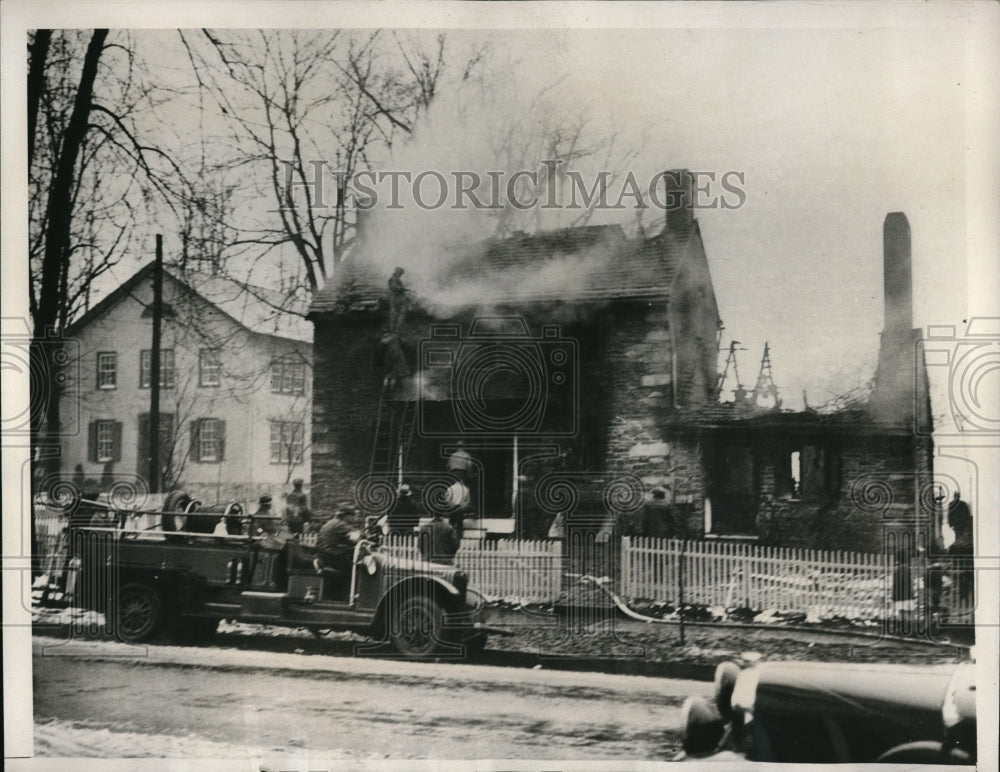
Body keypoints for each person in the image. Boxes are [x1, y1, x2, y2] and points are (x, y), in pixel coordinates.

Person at [313, 505, 357, 597]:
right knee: (357, 567)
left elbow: (349, 539)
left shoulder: (332, 523)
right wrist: (366, 537)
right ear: (345, 516)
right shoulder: (340, 524)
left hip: (324, 556)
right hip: (331, 557)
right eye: (352, 515)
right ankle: (350, 595)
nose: (354, 518)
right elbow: (356, 535)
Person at [947, 491, 974, 606]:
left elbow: (967, 515)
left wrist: (967, 522)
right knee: (958, 538)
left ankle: (960, 549)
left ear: (959, 496)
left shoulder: (963, 504)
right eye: (955, 496)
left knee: (961, 538)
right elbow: (949, 515)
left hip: (962, 525)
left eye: (957, 496)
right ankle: (959, 548)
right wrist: (950, 524)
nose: (956, 497)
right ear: (954, 496)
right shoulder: (951, 504)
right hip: (957, 526)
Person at [387, 266, 409, 331]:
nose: (400, 275)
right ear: (397, 272)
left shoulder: (396, 279)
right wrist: (404, 289)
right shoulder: (392, 279)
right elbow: (395, 287)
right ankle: (394, 329)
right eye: (400, 273)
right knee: (396, 314)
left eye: (401, 274)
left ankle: (396, 328)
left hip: (397, 298)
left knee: (398, 314)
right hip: (396, 298)